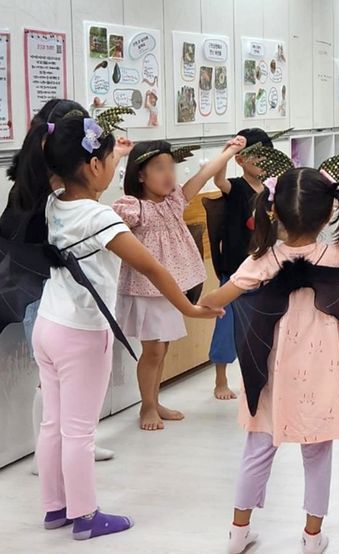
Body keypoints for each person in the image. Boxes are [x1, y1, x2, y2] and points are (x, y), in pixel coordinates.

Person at [14, 100, 221, 539]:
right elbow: (151, 266)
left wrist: (112, 152)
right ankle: (86, 516)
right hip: (81, 333)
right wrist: (189, 308)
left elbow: (79, 186)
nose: (114, 165)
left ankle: (55, 508)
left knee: (53, 424)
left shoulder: (53, 204)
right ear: (92, 166)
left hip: (49, 324)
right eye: (110, 159)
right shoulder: (101, 217)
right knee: (79, 431)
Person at [199, 168, 339, 554]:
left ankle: (238, 534)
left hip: (272, 371)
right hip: (322, 373)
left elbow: (216, 300)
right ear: (329, 213)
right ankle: (312, 538)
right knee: (318, 452)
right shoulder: (336, 256)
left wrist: (198, 307)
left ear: (273, 211)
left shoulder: (263, 259)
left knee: (258, 448)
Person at [0, 99, 115, 473]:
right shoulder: (44, 183)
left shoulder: (46, 177)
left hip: (56, 288)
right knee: (50, 382)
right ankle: (46, 453)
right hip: (43, 290)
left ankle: (73, 443)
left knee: (64, 382)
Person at [113, 138, 245, 430]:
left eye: (171, 167)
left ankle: (154, 401)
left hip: (171, 291)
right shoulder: (133, 207)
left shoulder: (174, 201)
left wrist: (230, 151)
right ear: (140, 174)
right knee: (153, 351)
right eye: (159, 168)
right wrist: (116, 154)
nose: (168, 174)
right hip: (146, 290)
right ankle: (147, 406)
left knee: (163, 348)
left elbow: (204, 173)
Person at [207, 128, 270, 400]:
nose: (262, 160)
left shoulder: (272, 190)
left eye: (266, 155)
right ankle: (220, 378)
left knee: (261, 324)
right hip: (235, 268)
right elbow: (218, 179)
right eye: (255, 155)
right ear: (240, 160)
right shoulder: (236, 187)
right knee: (226, 324)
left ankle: (258, 374)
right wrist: (227, 151)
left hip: (264, 268)